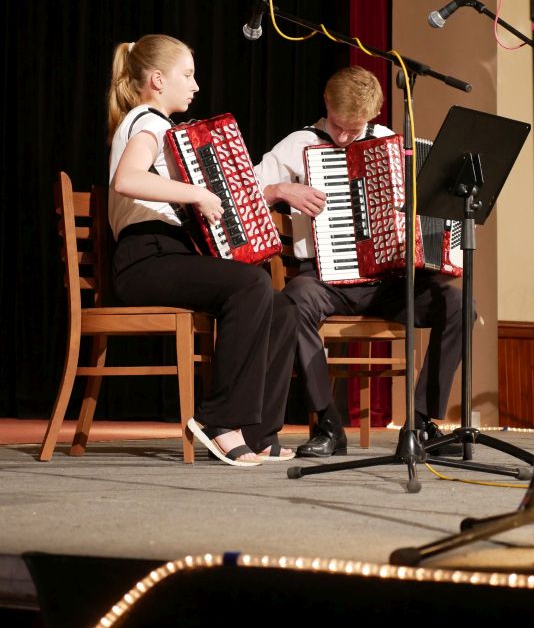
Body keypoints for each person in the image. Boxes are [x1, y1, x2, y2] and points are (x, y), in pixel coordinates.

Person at [255, 65, 471, 458]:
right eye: (337, 126)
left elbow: (427, 205)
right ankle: (328, 425)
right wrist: (279, 189)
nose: (342, 137)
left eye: (352, 130)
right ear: (326, 103)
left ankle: (420, 422)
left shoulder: (391, 143)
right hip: (325, 281)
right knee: (294, 301)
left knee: (458, 304)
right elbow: (244, 190)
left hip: (388, 283)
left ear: (373, 115)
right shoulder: (299, 143)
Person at [108, 33, 298, 467]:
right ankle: (219, 421)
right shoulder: (147, 121)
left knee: (281, 305)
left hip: (172, 255)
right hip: (145, 258)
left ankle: (257, 430)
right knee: (250, 285)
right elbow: (127, 179)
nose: (195, 86)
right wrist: (197, 193)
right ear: (158, 80)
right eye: (187, 75)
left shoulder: (163, 128)